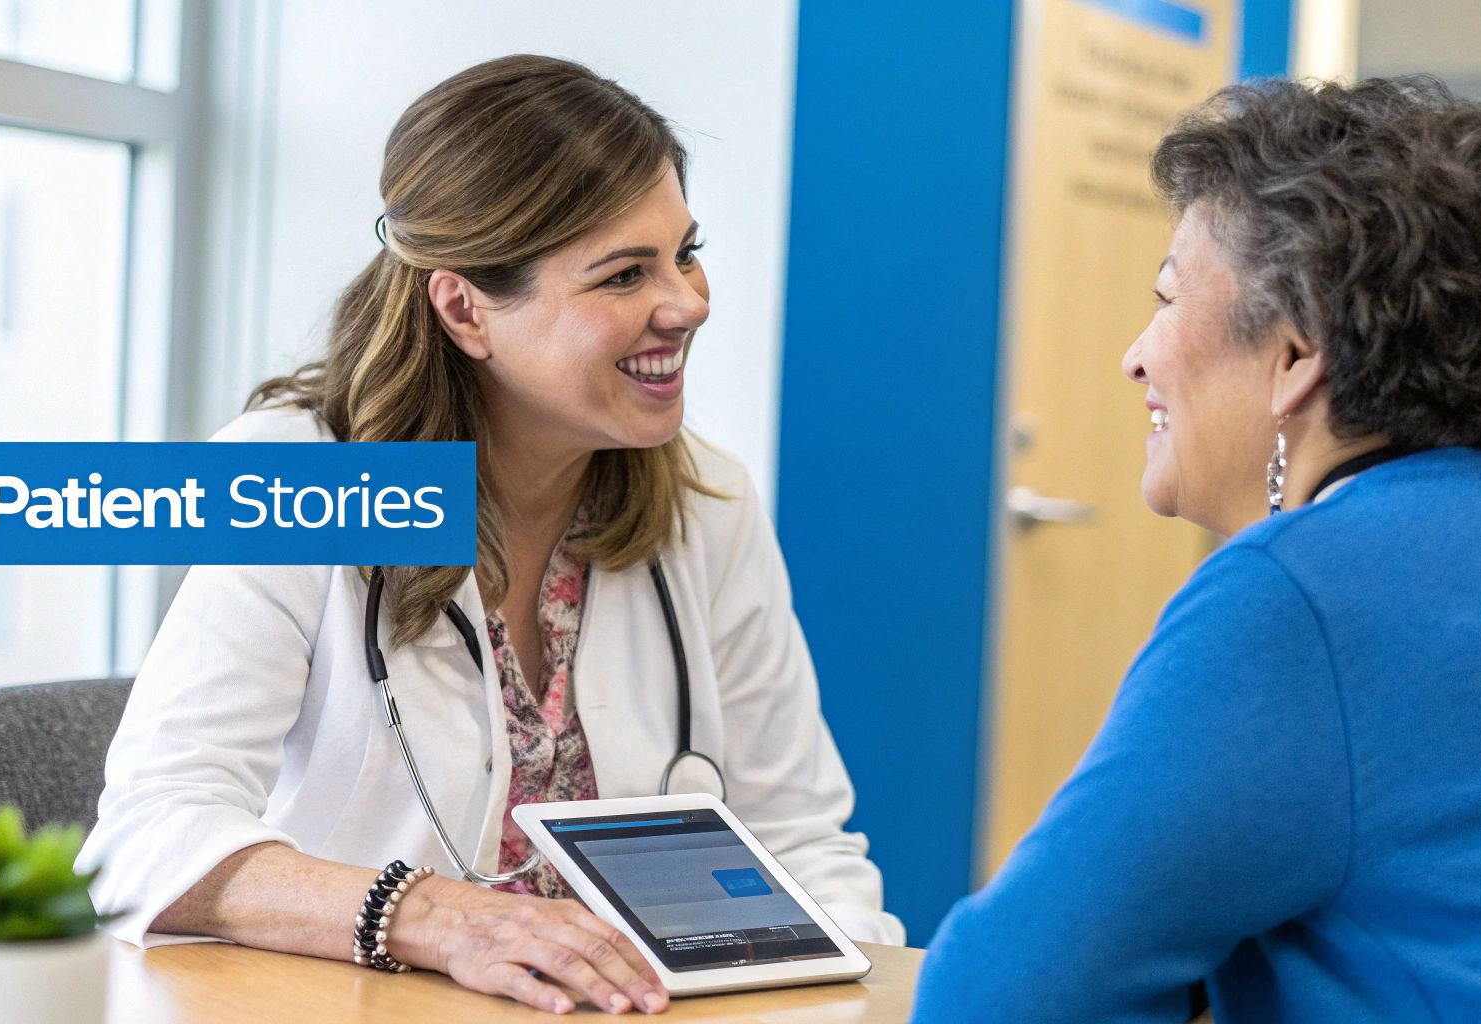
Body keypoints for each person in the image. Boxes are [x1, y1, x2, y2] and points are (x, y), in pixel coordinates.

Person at [80, 54, 902, 1017]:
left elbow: (800, 842)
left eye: (685, 251)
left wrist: (842, 994)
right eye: (624, 274)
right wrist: (432, 916)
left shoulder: (706, 503)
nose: (686, 302)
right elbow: (144, 839)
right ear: (466, 307)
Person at [912, 76, 1481, 1022]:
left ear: (1297, 355)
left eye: (1168, 296)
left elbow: (999, 995)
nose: (1135, 355)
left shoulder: (1302, 593)